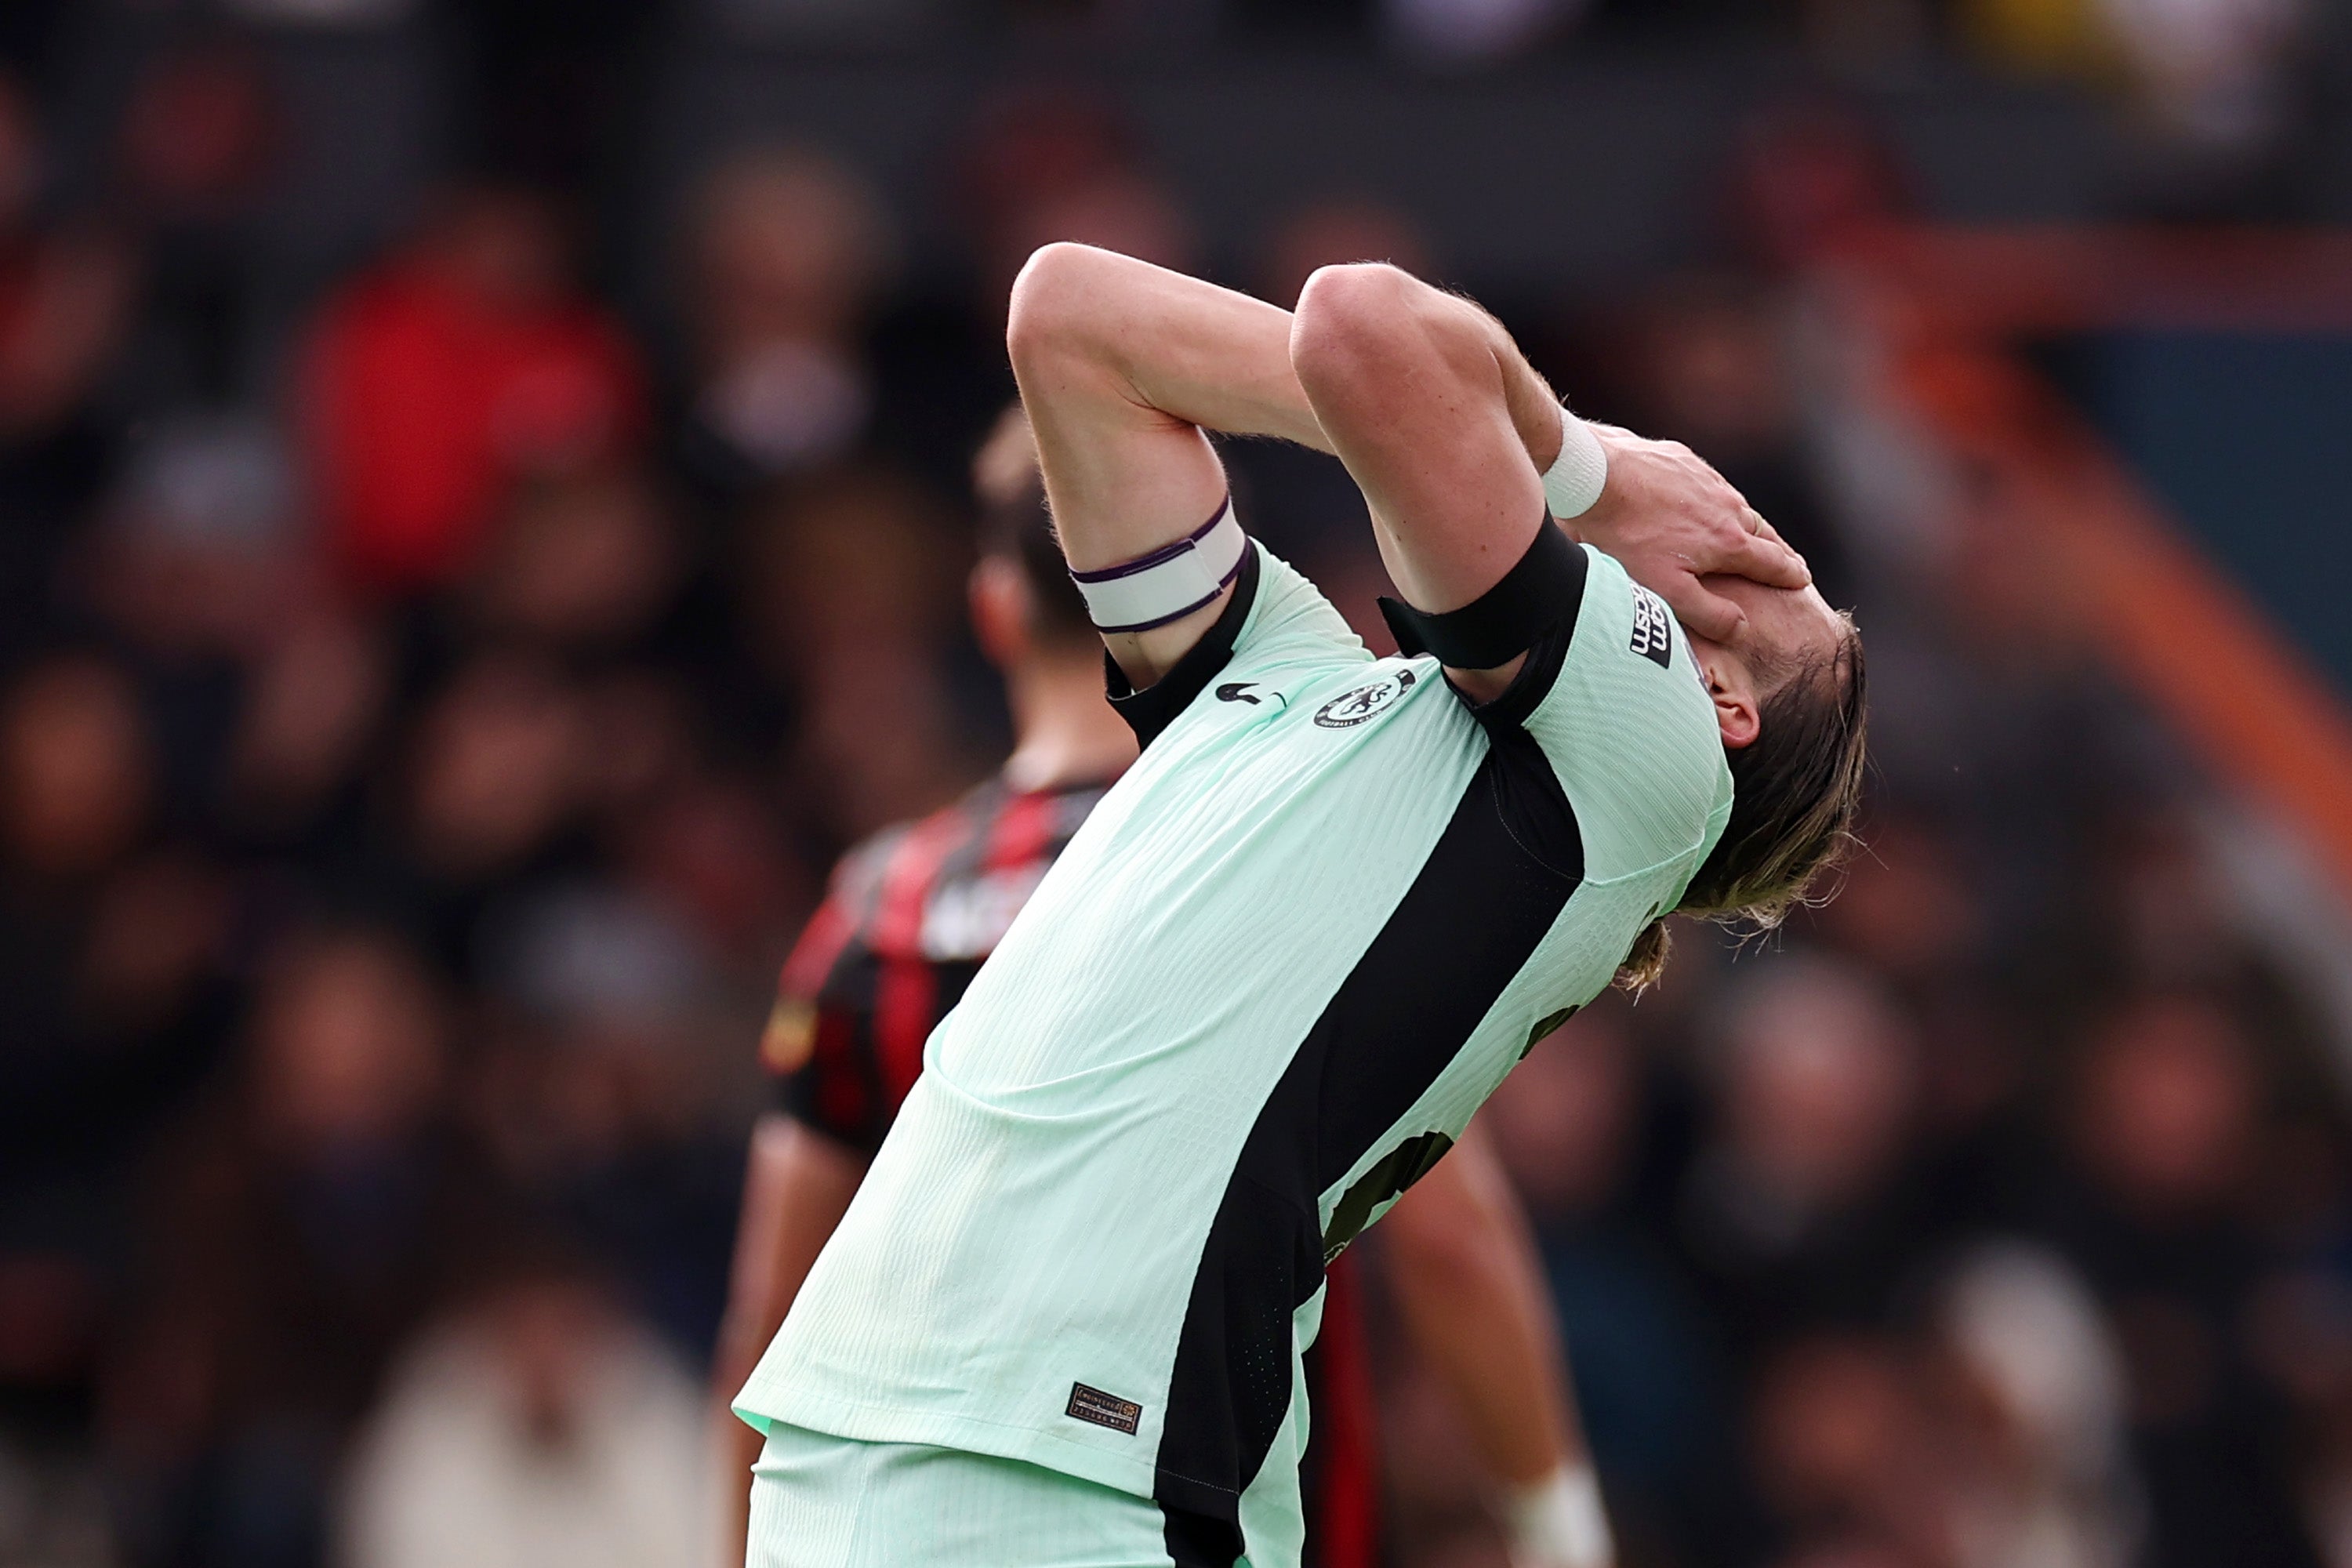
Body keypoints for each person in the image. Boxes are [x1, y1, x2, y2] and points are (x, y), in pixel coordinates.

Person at [733, 244, 1867, 1568]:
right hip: (861, 1439)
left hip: (1079, 1473)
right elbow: (1071, 323)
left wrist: (1590, 471)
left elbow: (1364, 325)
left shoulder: (1657, 763)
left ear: (1726, 701)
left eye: (1779, 582)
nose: (1744, 526)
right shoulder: (1284, 676)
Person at [712, 408, 1614, 1568]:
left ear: (992, 613)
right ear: (1225, 586)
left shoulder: (877, 917)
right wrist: (1556, 1522)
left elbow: (766, 1318)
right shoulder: (1288, 868)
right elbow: (1450, 1237)